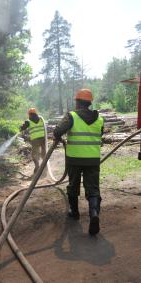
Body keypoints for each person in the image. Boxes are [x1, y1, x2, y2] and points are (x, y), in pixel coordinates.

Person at [53, 89, 104, 236]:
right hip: (93, 160)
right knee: (93, 188)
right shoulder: (99, 118)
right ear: (89, 103)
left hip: (74, 159)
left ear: (77, 102)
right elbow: (99, 135)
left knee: (73, 185)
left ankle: (74, 213)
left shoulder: (72, 116)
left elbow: (57, 132)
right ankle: (94, 213)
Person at [20, 108, 46, 175]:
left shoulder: (28, 121)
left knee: (35, 154)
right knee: (44, 153)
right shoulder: (41, 119)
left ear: (29, 114)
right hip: (43, 138)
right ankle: (45, 166)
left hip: (35, 140)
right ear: (35, 113)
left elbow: (23, 128)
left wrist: (21, 128)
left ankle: (37, 166)